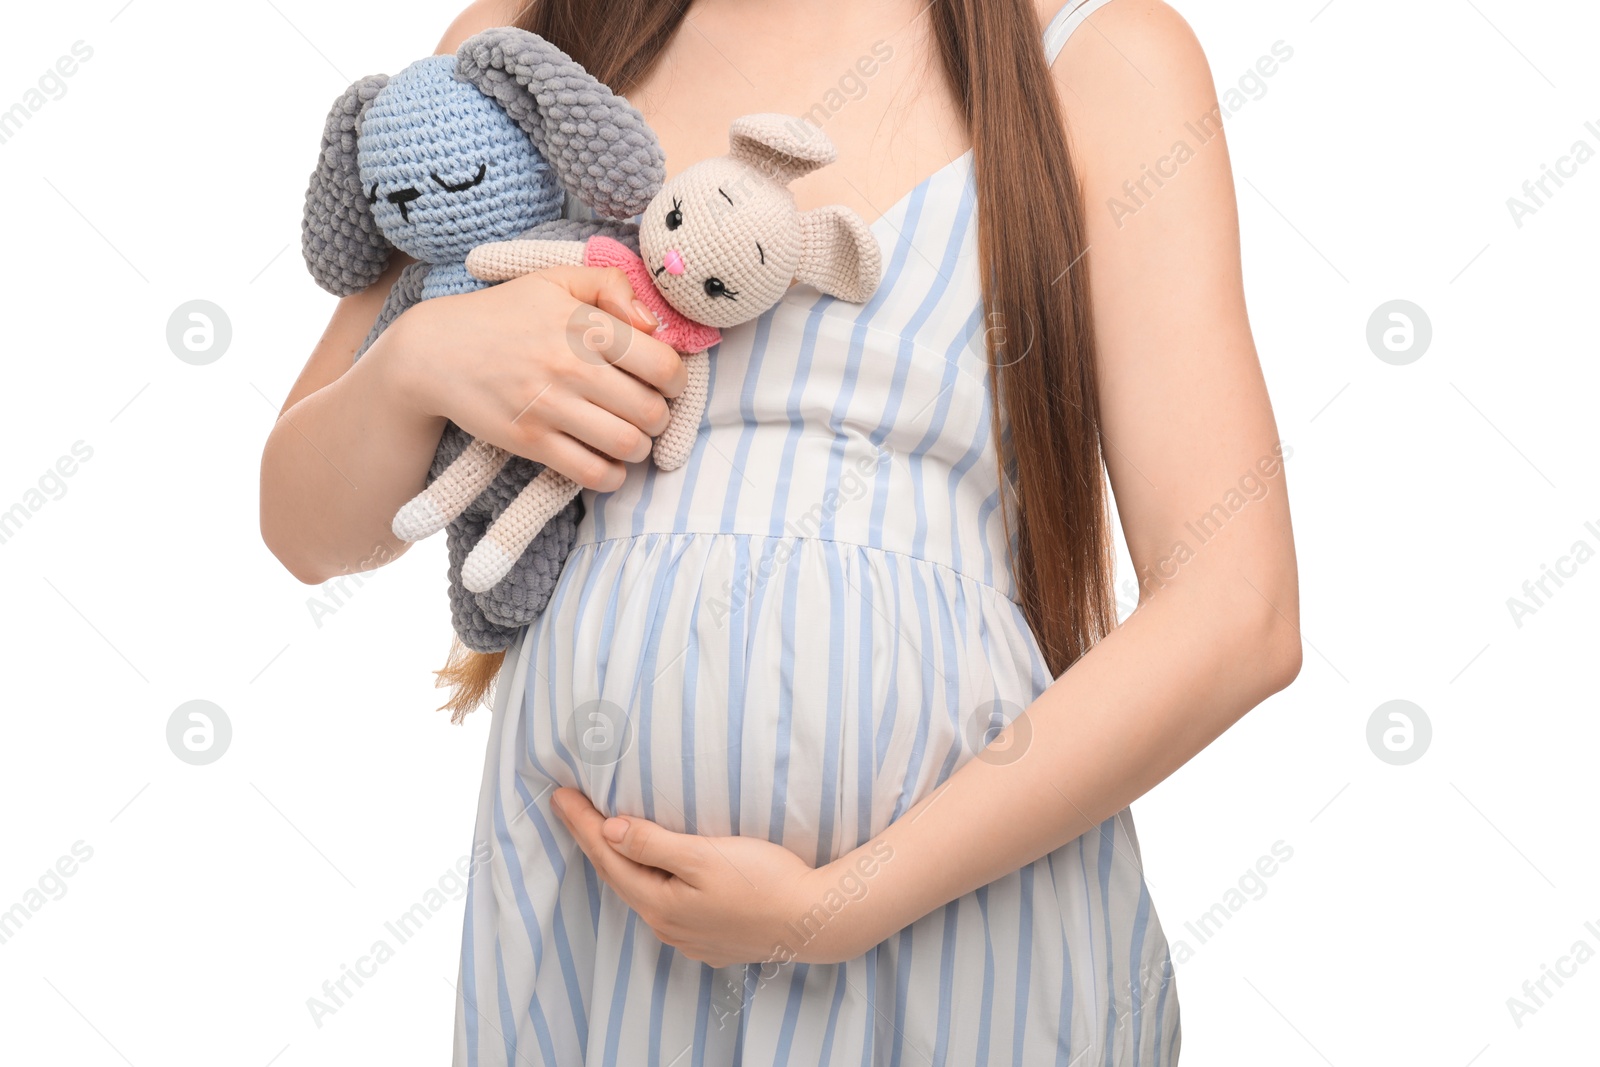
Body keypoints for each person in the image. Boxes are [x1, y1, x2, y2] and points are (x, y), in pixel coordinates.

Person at [260, 0, 1302, 1061]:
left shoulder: (1098, 57)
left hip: (957, 936)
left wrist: (845, 900)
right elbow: (305, 527)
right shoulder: (525, 41)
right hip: (597, 944)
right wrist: (419, 360)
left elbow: (1237, 611)